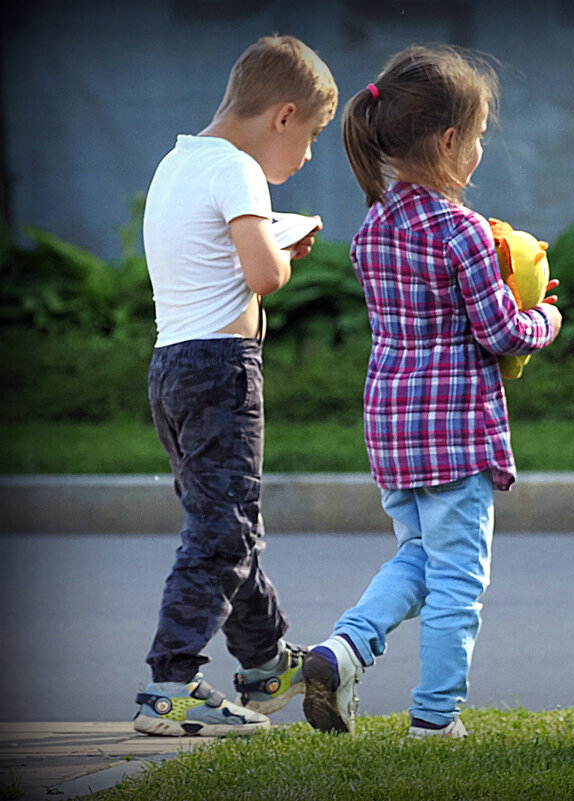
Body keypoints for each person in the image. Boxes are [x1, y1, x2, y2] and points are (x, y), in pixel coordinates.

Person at [302, 44, 562, 738]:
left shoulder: (373, 227)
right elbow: (500, 332)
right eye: (476, 136)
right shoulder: (465, 231)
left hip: (393, 425)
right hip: (453, 433)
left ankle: (344, 647)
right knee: (457, 582)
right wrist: (546, 317)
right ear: (450, 141)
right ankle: (435, 718)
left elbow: (424, 313)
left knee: (419, 557)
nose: (478, 148)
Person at [133, 35, 338, 737]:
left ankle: (264, 663)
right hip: (221, 369)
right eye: (310, 136)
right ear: (283, 115)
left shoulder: (178, 162)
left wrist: (265, 238)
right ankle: (171, 682)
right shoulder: (239, 171)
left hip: (171, 366)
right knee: (220, 532)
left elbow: (208, 256)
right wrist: (282, 245)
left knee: (227, 526)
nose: (307, 156)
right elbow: (264, 277)